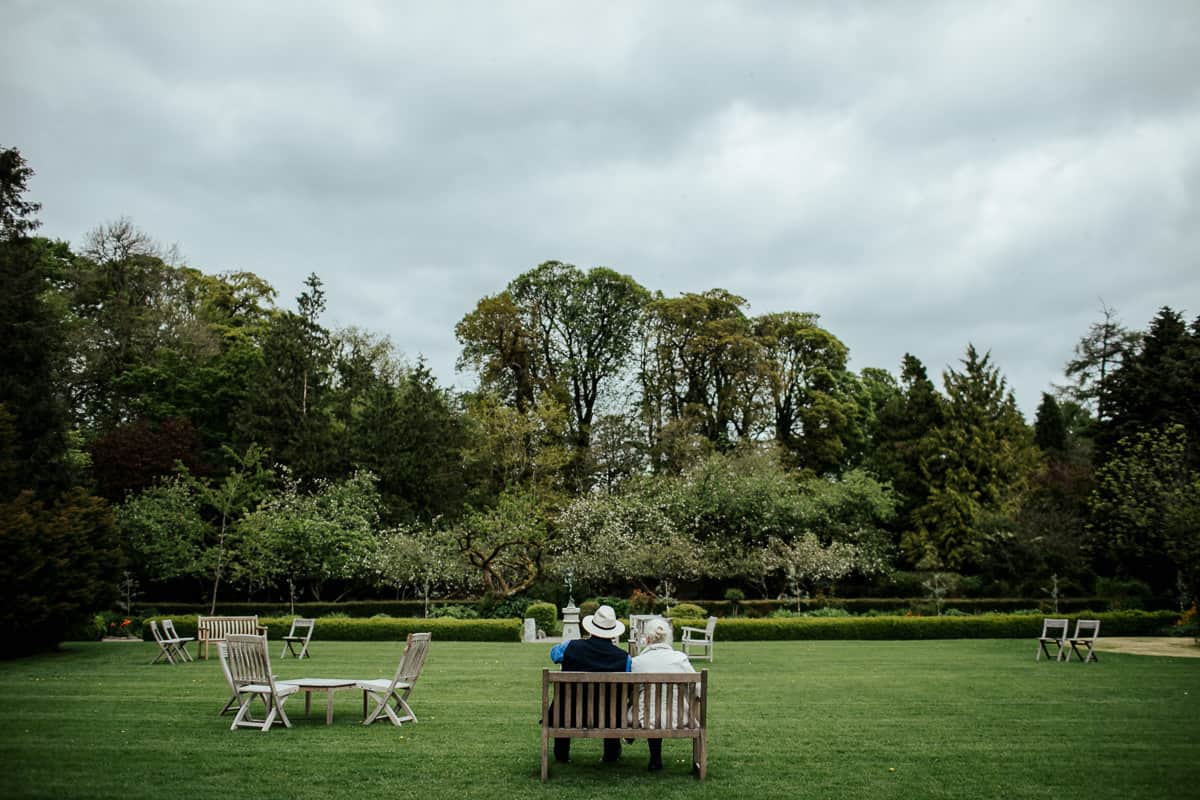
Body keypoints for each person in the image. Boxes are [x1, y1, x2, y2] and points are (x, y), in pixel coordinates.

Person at [548, 604, 630, 764]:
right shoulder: (623, 657)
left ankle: (561, 753)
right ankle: (611, 754)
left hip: (567, 714)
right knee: (610, 703)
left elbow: (554, 654)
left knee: (564, 702)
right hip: (608, 717)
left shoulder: (570, 647)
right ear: (613, 633)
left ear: (592, 628)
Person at [630, 616, 696, 771]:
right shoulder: (680, 659)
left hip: (646, 719)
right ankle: (656, 759)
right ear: (668, 637)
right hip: (679, 718)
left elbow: (629, 691)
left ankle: (655, 758)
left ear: (646, 638)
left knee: (649, 708)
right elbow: (697, 688)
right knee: (657, 707)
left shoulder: (638, 662)